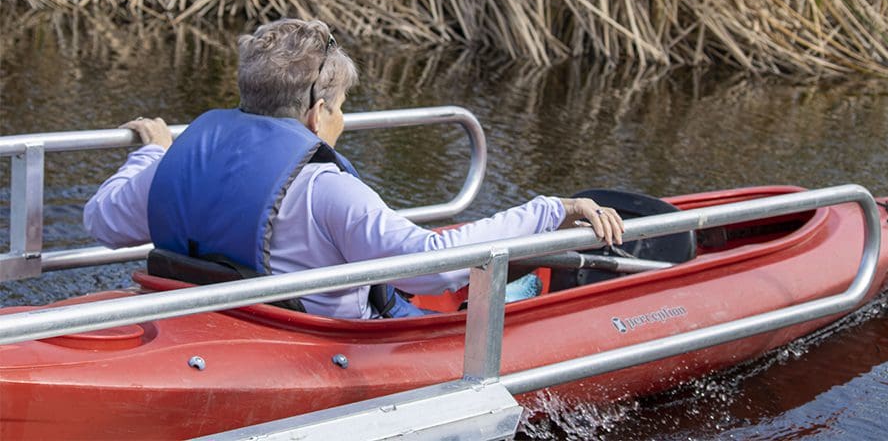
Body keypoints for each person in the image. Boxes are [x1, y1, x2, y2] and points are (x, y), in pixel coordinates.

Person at [84, 18, 624, 319]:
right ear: (318, 114)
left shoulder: (175, 164)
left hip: (218, 321)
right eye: (341, 106)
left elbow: (101, 222)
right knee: (483, 292)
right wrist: (552, 209)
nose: (342, 118)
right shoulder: (325, 190)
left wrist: (153, 148)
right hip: (319, 346)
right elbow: (430, 268)